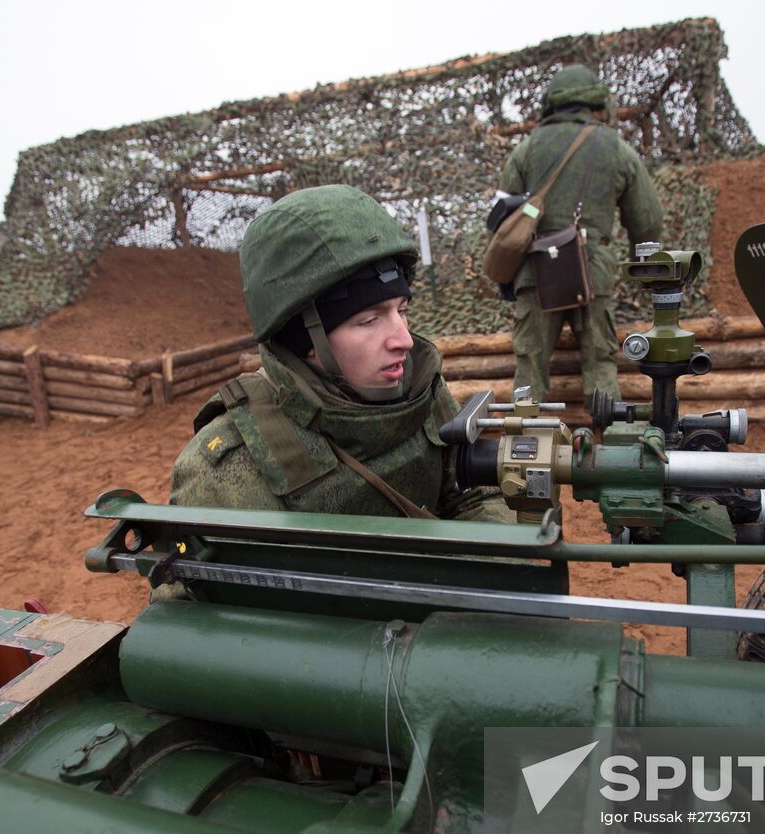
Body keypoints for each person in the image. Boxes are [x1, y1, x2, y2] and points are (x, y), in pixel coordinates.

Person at [167, 184, 509, 524]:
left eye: (402, 310)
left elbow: (476, 494)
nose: (404, 340)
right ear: (307, 341)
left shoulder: (420, 385)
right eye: (369, 320)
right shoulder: (224, 468)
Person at [497, 65, 664, 407]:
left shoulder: (526, 149)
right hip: (592, 271)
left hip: (537, 268)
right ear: (596, 103)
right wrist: (642, 270)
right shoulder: (615, 148)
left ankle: (522, 442)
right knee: (601, 361)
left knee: (530, 363)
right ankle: (607, 442)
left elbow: (503, 215)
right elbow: (647, 221)